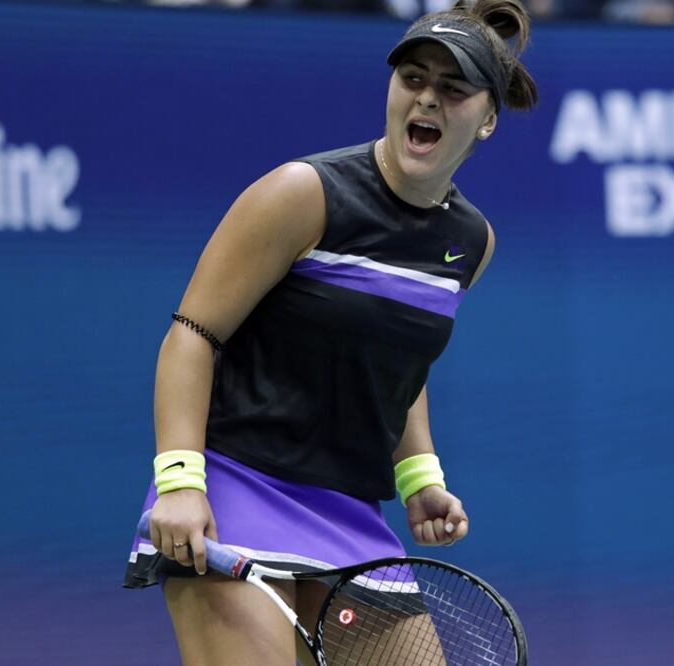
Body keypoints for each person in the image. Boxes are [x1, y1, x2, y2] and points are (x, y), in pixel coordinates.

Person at [122, 1, 538, 664]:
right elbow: (193, 334)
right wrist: (178, 482)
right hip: (236, 490)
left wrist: (418, 476)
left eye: (452, 89)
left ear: (486, 119)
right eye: (412, 80)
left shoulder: (469, 242)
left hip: (350, 516)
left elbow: (397, 366)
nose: (427, 99)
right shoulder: (303, 194)